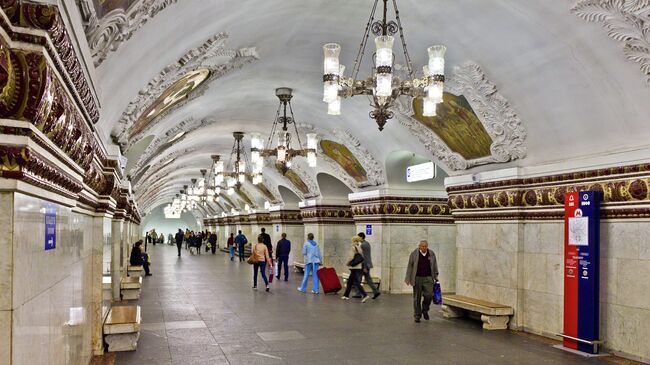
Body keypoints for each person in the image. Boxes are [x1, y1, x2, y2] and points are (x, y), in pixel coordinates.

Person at [405, 240, 439, 323]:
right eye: (422, 246)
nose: (424, 248)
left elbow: (434, 265)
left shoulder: (431, 253)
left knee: (429, 295)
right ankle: (417, 315)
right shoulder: (414, 254)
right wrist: (407, 278)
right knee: (417, 298)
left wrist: (436, 276)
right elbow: (410, 266)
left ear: (427, 246)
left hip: (428, 278)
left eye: (425, 246)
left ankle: (425, 309)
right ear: (419, 246)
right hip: (417, 278)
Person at [341, 236, 368, 302]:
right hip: (358, 267)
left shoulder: (353, 247)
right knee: (350, 282)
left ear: (353, 241)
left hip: (354, 267)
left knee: (356, 282)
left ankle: (365, 295)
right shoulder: (359, 247)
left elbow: (350, 257)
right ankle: (346, 295)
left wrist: (347, 263)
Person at [356, 232, 380, 299]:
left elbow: (364, 257)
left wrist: (364, 266)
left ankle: (359, 293)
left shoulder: (363, 245)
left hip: (364, 265)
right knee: (368, 279)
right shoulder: (367, 243)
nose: (357, 239)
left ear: (361, 237)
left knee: (358, 278)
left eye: (358, 237)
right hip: (367, 264)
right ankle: (376, 291)